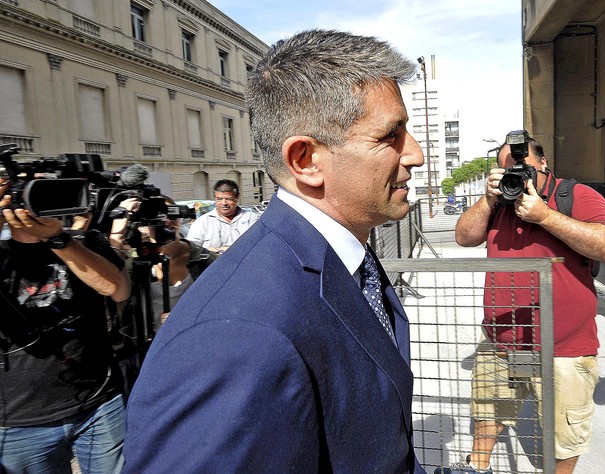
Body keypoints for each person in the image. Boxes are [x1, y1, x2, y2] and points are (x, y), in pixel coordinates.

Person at [123, 29, 427, 472]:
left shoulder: (346, 255)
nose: (415, 154)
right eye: (390, 135)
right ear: (305, 160)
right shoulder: (238, 334)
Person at [447, 133, 605, 474]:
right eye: (506, 170)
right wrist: (488, 198)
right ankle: (475, 467)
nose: (515, 175)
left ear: (543, 164)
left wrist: (544, 216)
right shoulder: (499, 204)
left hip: (565, 346)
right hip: (501, 342)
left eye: (522, 167)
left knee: (564, 434)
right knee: (488, 413)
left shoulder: (574, 196)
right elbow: (464, 237)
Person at [0, 190, 131, 472]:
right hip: (19, 418)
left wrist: (58, 239)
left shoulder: (84, 242)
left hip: (98, 403)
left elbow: (116, 289)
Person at [185, 179, 259, 254]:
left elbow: (258, 244)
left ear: (237, 198)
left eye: (228, 199)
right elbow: (191, 250)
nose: (224, 203)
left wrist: (225, 250)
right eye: (219, 199)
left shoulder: (250, 218)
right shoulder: (202, 222)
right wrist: (210, 252)